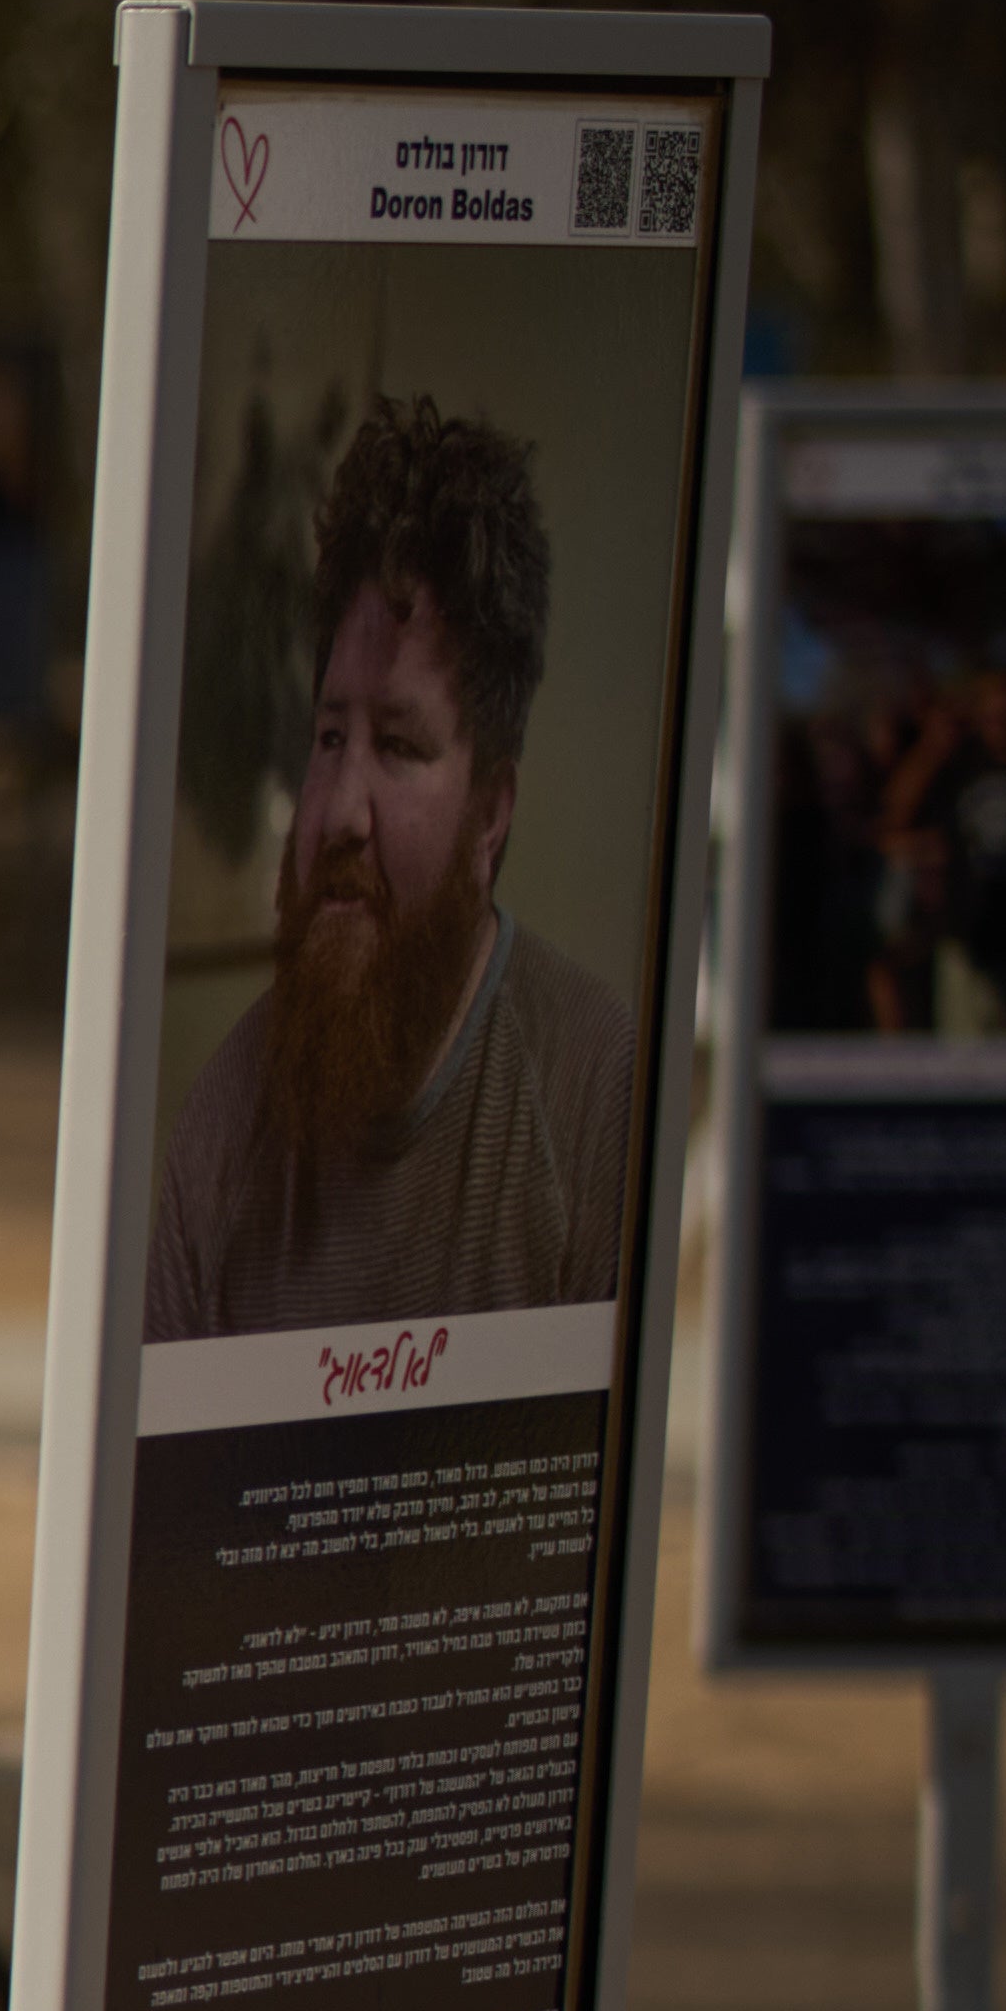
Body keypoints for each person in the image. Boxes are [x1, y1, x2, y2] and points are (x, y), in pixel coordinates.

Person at [143, 389, 645, 1343]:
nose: (336, 812)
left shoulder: (591, 1092)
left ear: (492, 811)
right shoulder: (223, 1121)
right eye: (329, 736)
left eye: (402, 747)